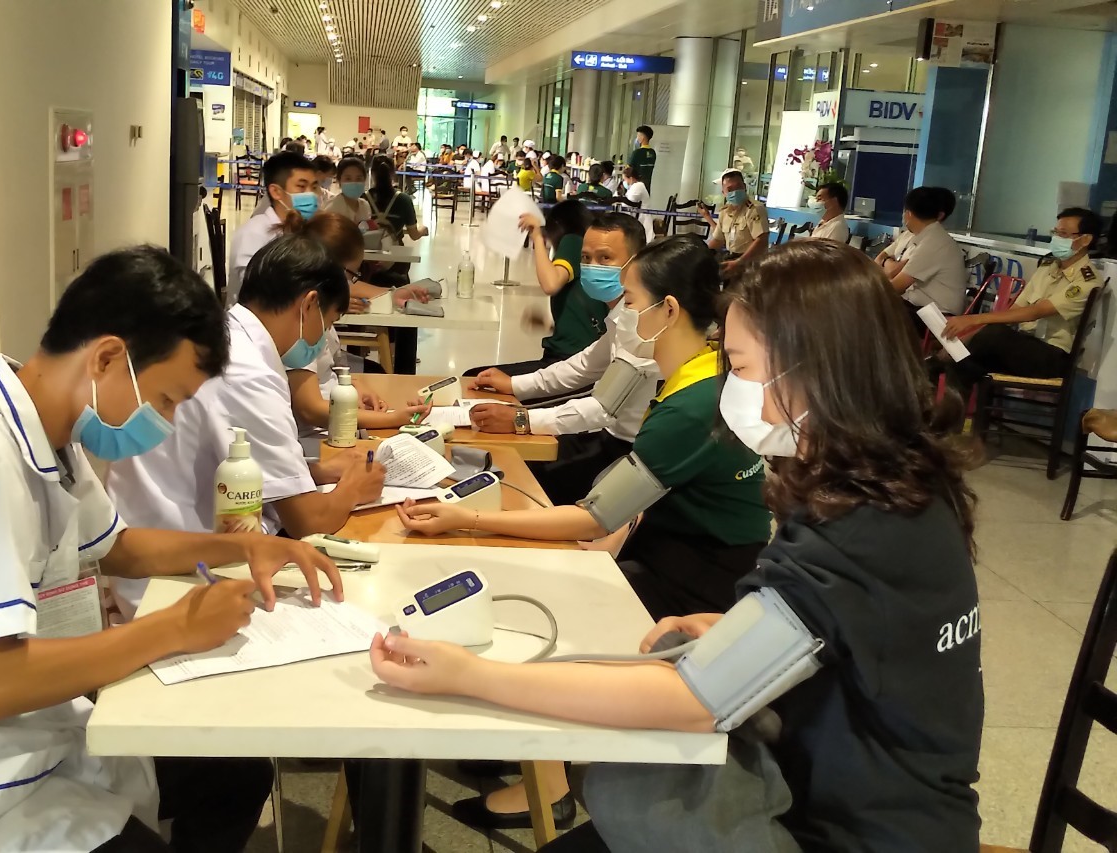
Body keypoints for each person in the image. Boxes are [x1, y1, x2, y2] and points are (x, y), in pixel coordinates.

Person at [374, 239, 983, 853]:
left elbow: (695, 701)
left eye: (740, 367)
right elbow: (862, 632)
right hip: (879, 806)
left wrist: (471, 675)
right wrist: (742, 628)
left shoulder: (854, 526)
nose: (734, 389)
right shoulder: (903, 489)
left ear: (816, 366)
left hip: (844, 831)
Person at [0, 246, 344, 852]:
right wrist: (175, 628)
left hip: (38, 745)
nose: (165, 421)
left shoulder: (53, 434)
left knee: (233, 776)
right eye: (166, 400)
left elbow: (118, 547)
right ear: (107, 359)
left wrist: (244, 548)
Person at [394, 237, 772, 831]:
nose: (622, 312)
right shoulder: (690, 375)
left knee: (555, 606)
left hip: (699, 574)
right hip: (691, 550)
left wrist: (464, 518)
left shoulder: (692, 404)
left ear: (669, 309)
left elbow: (595, 515)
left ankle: (550, 783)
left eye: (631, 300)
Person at [108, 235, 385, 617]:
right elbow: (308, 521)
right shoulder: (248, 371)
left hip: (172, 545)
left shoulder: (234, 338)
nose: (322, 340)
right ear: (308, 305)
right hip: (176, 574)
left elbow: (231, 456)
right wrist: (353, 488)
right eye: (328, 324)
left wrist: (312, 472)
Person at [469, 214, 654, 505]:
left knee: (519, 478)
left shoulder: (646, 323)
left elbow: (603, 407)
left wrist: (520, 419)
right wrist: (515, 385)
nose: (592, 267)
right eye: (586, 258)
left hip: (626, 452)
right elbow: (584, 365)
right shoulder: (623, 316)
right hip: (605, 435)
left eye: (605, 258)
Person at [282, 215, 435, 429]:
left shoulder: (315, 310)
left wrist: (353, 384)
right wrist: (392, 420)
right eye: (353, 276)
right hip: (321, 429)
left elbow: (331, 368)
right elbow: (309, 409)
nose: (352, 285)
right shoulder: (302, 323)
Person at [940, 207, 1105, 395]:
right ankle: (952, 409)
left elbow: (1036, 312)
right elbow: (1014, 311)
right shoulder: (1048, 268)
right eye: (1055, 232)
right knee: (964, 361)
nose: (1057, 238)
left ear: (1085, 240)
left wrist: (974, 319)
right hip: (1023, 346)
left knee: (993, 335)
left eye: (1064, 234)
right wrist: (968, 335)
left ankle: (934, 367)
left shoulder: (1087, 281)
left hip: (1052, 356)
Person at [466, 200, 602, 379]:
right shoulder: (589, 254)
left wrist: (537, 237)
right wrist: (549, 325)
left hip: (567, 361)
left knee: (474, 377)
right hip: (580, 359)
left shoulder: (573, 241)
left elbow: (550, 283)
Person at [228, 151, 318, 303]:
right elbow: (258, 292)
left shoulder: (304, 230)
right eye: (301, 187)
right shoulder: (255, 234)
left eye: (314, 187)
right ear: (276, 192)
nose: (311, 194)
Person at [887, 186, 967, 329]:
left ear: (908, 214)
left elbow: (896, 287)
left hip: (937, 317)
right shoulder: (927, 236)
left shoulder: (934, 242)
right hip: (920, 308)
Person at [701, 168, 769, 275]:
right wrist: (701, 252)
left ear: (745, 187)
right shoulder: (725, 212)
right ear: (724, 193)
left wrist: (739, 262)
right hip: (732, 259)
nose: (735, 192)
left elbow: (762, 240)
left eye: (738, 187)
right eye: (730, 189)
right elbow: (718, 239)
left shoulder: (754, 209)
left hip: (751, 262)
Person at [323, 156, 372, 230]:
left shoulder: (365, 206)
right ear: (339, 181)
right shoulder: (331, 208)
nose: (354, 183)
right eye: (348, 179)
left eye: (358, 178)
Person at [622, 166, 656, 244]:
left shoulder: (638, 186)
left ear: (631, 178)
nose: (624, 182)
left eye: (624, 179)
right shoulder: (634, 187)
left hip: (642, 221)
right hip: (638, 219)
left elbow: (629, 202)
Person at [626, 125, 657, 189]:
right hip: (647, 187)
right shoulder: (653, 153)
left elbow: (627, 171)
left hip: (636, 187)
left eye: (638, 135)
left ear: (642, 138)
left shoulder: (637, 153)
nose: (637, 138)